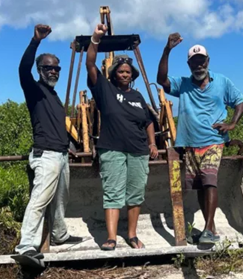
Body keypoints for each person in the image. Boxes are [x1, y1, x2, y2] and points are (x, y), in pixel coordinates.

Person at [157, 33, 243, 244]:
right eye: (194, 63)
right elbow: (162, 80)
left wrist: (233, 123)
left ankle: (207, 228)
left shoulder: (222, 82)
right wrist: (167, 50)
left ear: (208, 61)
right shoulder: (183, 84)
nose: (198, 66)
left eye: (201, 61)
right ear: (189, 64)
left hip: (214, 139)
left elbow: (240, 101)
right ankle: (211, 229)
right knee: (198, 185)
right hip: (190, 143)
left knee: (209, 180)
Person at [86, 24, 158, 250]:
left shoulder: (138, 96)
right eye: (121, 71)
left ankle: (132, 235)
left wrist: (153, 143)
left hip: (138, 151)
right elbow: (90, 63)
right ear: (114, 74)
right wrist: (95, 39)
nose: (125, 74)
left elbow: (147, 121)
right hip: (112, 149)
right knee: (114, 193)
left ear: (132, 75)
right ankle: (111, 237)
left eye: (128, 72)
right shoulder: (105, 90)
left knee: (136, 194)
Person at [15, 24, 82, 259]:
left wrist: (68, 148)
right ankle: (26, 247)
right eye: (48, 68)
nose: (53, 72)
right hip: (46, 154)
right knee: (40, 199)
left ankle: (59, 234)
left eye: (56, 68)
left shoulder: (53, 97)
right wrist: (35, 41)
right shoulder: (34, 90)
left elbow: (55, 127)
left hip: (61, 153)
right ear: (40, 70)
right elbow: (23, 70)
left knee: (61, 199)